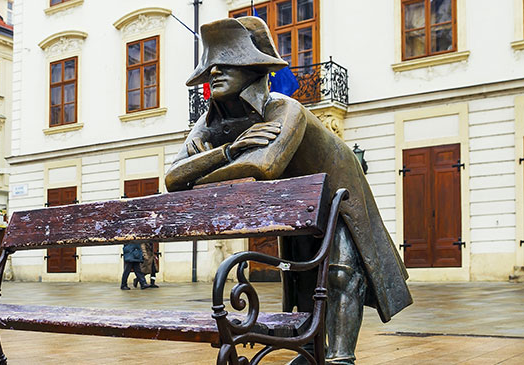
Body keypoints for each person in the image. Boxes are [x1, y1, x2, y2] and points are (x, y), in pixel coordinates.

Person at [165, 16, 412, 364]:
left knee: (342, 268)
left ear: (252, 70)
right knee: (302, 274)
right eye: (211, 66)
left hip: (339, 188)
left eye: (227, 64)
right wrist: (229, 151)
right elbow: (173, 179)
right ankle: (311, 348)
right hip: (299, 198)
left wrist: (203, 168)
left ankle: (341, 357)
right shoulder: (209, 124)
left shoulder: (284, 109)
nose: (215, 72)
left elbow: (264, 166)